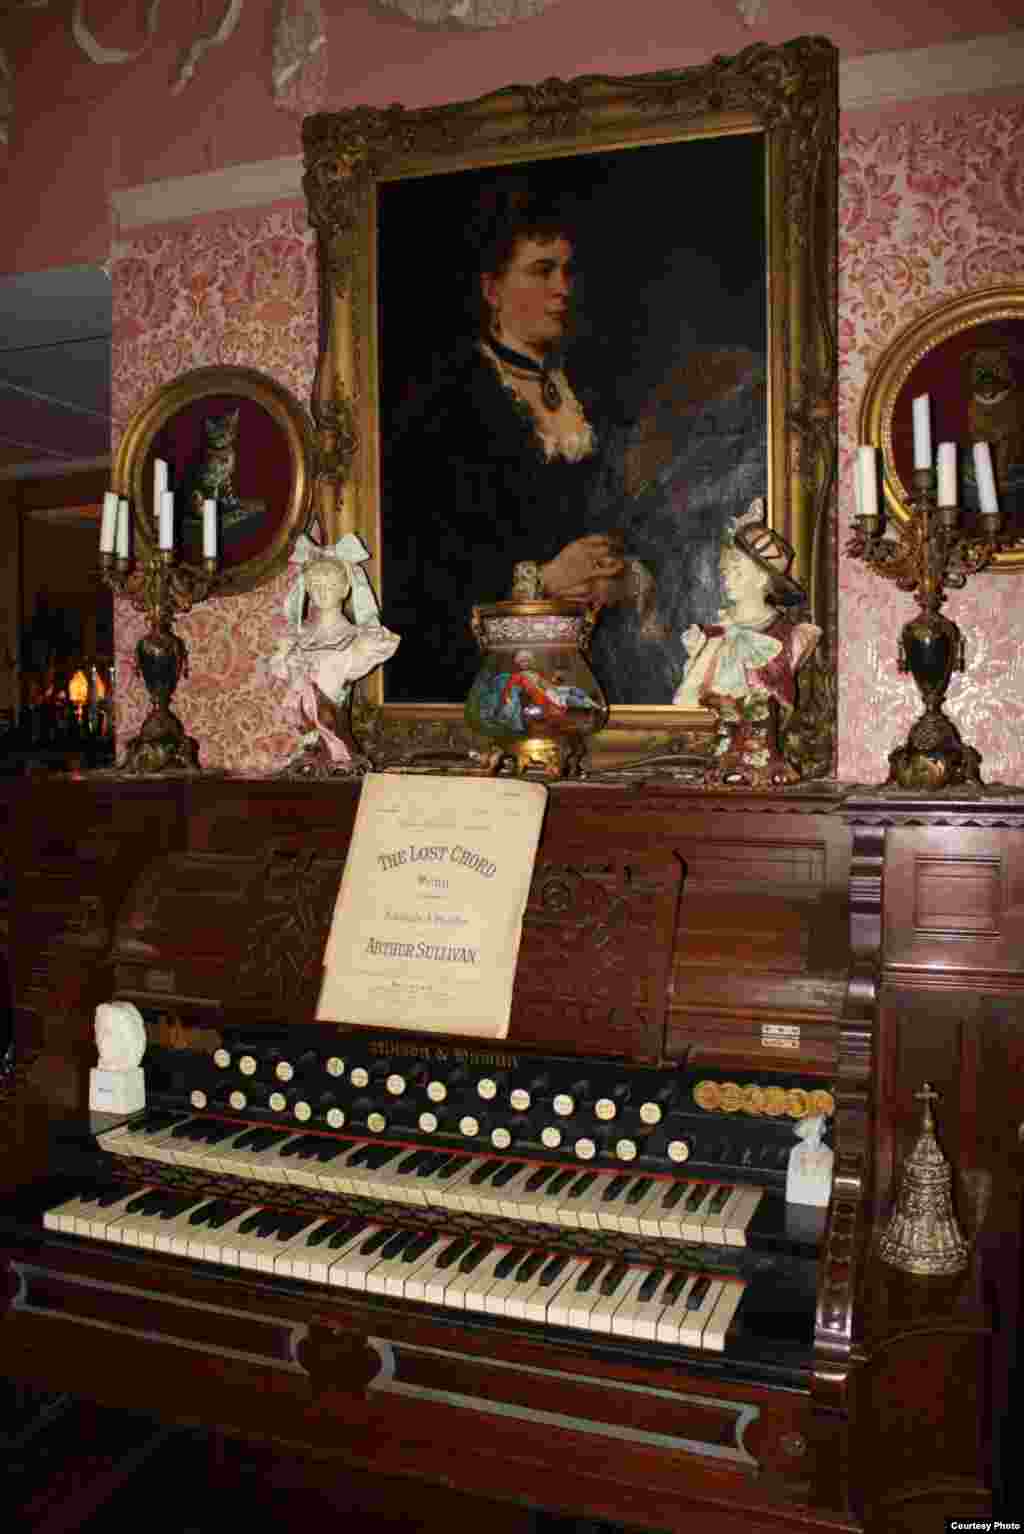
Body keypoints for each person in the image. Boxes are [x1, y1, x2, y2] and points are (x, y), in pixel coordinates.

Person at [382, 184, 625, 702]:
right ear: (492, 290)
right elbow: (422, 566)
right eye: (542, 271)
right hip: (482, 670)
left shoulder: (594, 391)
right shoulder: (448, 401)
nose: (562, 288)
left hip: (598, 655)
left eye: (567, 271)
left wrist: (616, 575)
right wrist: (544, 579)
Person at [673, 500, 820, 783]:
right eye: (727, 569)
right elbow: (691, 698)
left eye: (738, 569)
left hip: (763, 764)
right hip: (722, 761)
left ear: (762, 578)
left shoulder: (789, 637)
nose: (727, 577)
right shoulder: (714, 636)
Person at [268, 534, 400, 768]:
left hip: (339, 745)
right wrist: (283, 655)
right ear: (307, 589)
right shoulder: (296, 639)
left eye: (330, 586)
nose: (323, 592)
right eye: (316, 586)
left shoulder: (360, 640)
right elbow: (282, 671)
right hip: (308, 745)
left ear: (345, 588)